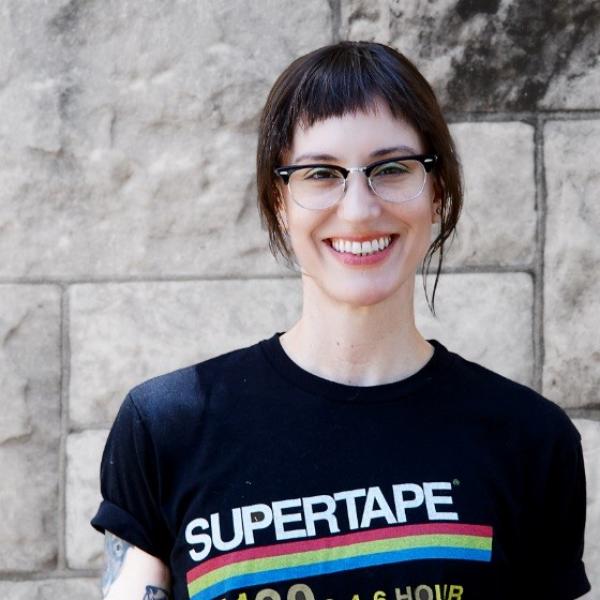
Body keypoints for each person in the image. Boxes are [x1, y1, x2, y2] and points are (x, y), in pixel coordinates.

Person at [91, 41, 591, 600]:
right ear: (279, 203)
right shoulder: (167, 427)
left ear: (438, 192)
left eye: (393, 168)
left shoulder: (530, 440)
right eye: (321, 174)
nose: (358, 209)